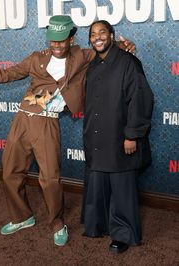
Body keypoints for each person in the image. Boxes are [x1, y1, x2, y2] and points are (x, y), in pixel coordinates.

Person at [0, 15, 135, 246]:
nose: (55, 45)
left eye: (61, 41)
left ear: (72, 39)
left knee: (50, 179)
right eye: (52, 40)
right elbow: (8, 74)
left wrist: (124, 46)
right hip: (23, 119)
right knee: (10, 171)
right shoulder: (37, 58)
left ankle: (57, 222)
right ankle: (22, 217)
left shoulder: (83, 55)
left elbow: (105, 48)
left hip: (47, 122)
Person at [81, 20, 154, 253]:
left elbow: (140, 100)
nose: (97, 37)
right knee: (98, 182)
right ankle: (98, 224)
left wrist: (132, 135)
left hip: (120, 136)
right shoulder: (92, 65)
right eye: (93, 34)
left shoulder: (128, 62)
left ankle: (123, 234)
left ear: (112, 35)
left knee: (122, 188)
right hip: (96, 136)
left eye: (102, 32)